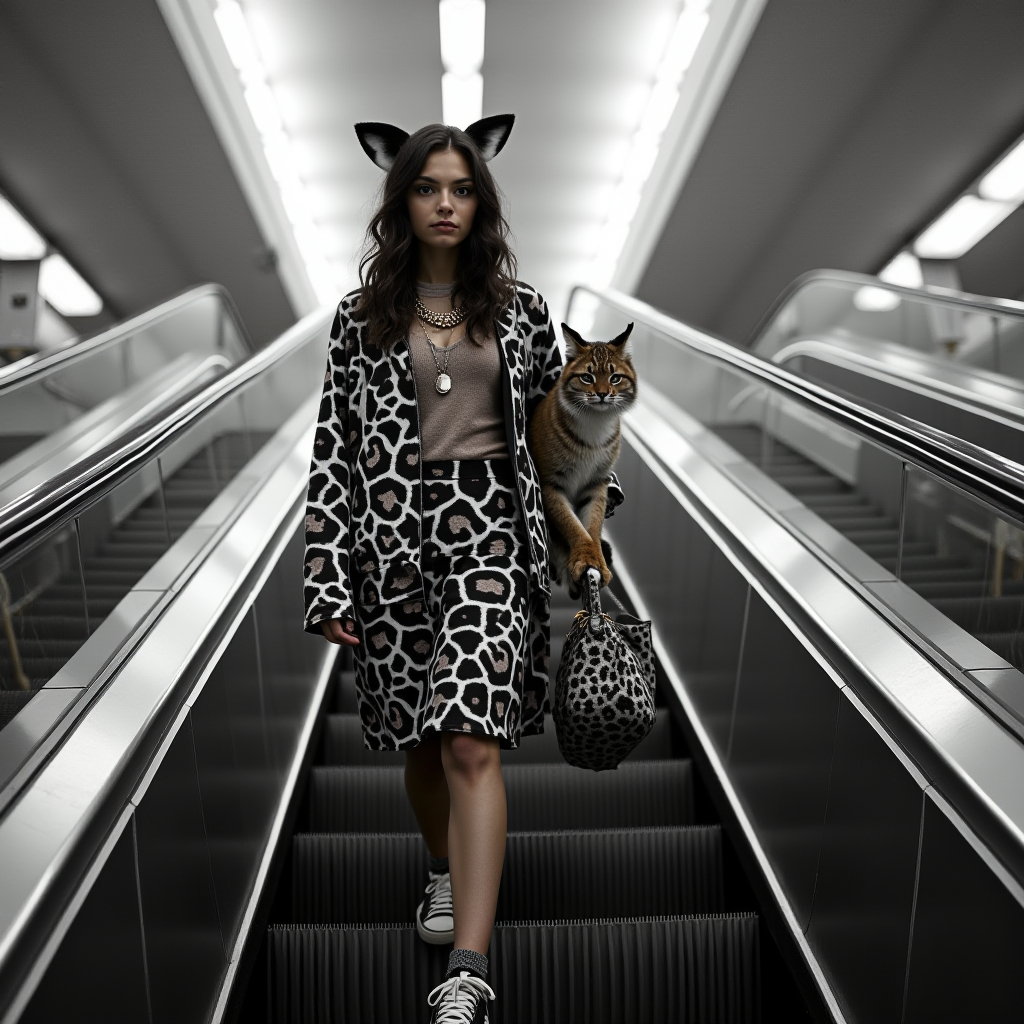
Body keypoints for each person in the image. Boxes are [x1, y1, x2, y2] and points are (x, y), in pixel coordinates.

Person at [303, 113, 571, 1024]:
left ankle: (468, 970)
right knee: (420, 745)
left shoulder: (525, 313)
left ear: (480, 199)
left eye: (460, 187)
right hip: (392, 548)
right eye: (426, 188)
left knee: (469, 739)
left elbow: (563, 436)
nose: (444, 203)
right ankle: (445, 868)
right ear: (401, 199)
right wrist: (328, 574)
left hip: (493, 535)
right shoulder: (358, 322)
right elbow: (334, 454)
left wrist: (587, 531)